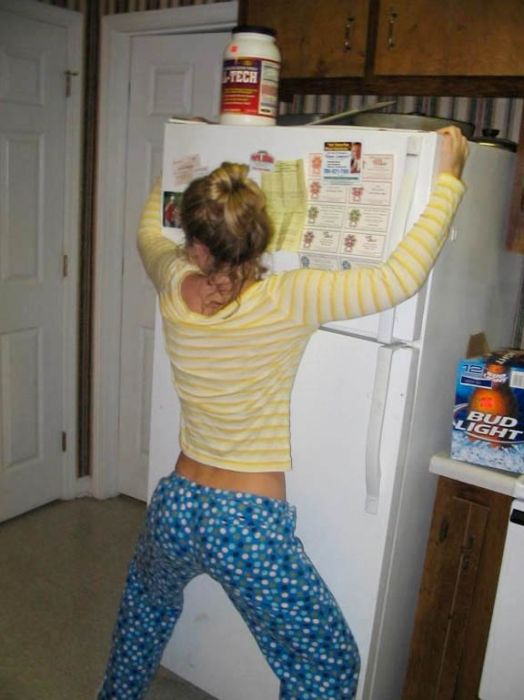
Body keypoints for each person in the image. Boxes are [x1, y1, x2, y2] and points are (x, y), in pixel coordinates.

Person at [98, 127, 468, 700]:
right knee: (327, 662)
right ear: (261, 235)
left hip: (176, 503)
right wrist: (448, 180)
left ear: (195, 244)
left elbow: (149, 231)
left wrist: (171, 165)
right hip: (245, 523)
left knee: (144, 612)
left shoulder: (173, 284)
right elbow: (400, 278)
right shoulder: (292, 295)